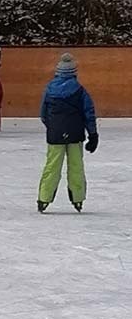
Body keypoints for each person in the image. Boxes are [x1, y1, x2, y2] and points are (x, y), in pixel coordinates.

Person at [38, 52, 98, 214]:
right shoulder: (80, 91)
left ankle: (44, 198)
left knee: (52, 167)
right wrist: (93, 134)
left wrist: (53, 126)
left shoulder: (49, 89)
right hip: (75, 135)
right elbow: (89, 113)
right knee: (76, 166)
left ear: (58, 71)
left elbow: (43, 114)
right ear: (74, 72)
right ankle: (77, 198)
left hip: (55, 135)